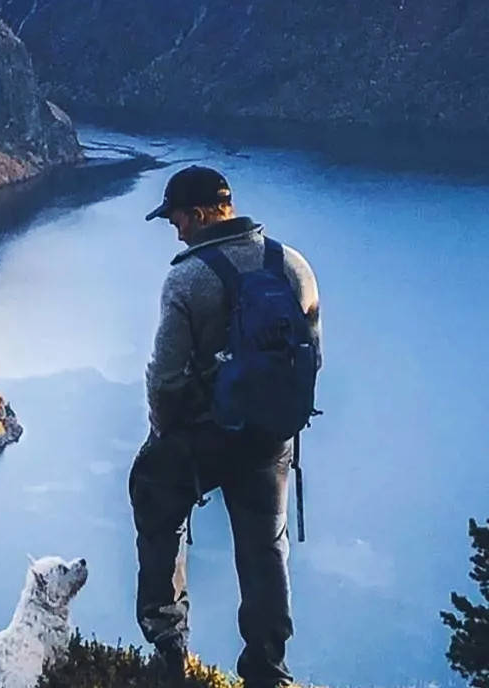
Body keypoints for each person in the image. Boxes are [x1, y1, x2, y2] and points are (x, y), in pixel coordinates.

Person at [128, 164, 322, 688]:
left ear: (197, 214)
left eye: (176, 219)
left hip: (205, 435)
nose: (176, 229)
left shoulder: (188, 277)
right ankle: (268, 668)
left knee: (156, 498)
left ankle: (169, 649)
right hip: (270, 437)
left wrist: (163, 433)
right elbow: (313, 355)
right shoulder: (292, 265)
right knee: (265, 545)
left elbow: (165, 377)